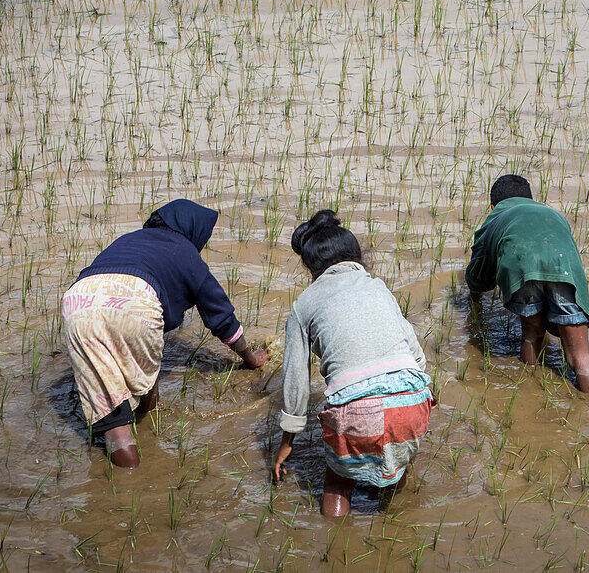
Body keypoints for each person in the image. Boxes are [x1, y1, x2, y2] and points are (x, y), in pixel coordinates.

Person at [62, 199, 267, 468]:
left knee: (112, 418)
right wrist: (250, 358)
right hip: (134, 300)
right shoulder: (185, 251)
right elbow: (221, 316)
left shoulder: (130, 239)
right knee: (148, 367)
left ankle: (123, 473)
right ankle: (137, 484)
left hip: (78, 301)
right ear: (192, 231)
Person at [272, 210, 434, 517]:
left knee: (338, 479)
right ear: (356, 256)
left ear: (311, 267)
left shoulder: (304, 304)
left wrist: (287, 440)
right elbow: (417, 357)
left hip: (355, 411)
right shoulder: (378, 287)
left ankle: (334, 547)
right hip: (412, 403)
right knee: (397, 467)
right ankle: (394, 529)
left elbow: (296, 381)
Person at [465, 175, 589, 393]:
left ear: (493, 206)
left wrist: (473, 297)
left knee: (532, 335)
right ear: (530, 198)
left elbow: (478, 276)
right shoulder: (553, 214)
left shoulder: (495, 218)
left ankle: (528, 394)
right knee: (582, 358)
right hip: (564, 272)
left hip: (522, 270)